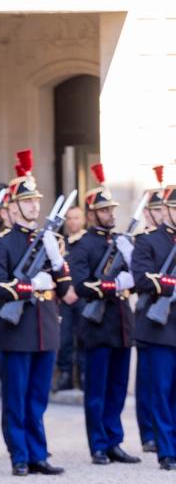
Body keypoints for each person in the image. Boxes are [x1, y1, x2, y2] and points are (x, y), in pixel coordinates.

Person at [0, 149, 69, 476]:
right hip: (17, 328)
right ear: (13, 207)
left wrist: (59, 263)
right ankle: (19, 455)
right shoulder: (3, 244)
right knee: (16, 397)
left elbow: (66, 289)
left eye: (36, 201)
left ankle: (38, 453)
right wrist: (27, 286)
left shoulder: (49, 240)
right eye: (28, 201)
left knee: (38, 397)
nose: (35, 205)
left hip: (45, 327)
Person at [68, 164, 140, 465]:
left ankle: (114, 440)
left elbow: (138, 277)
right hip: (97, 326)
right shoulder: (83, 245)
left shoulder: (122, 242)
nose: (111, 214)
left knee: (117, 389)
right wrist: (113, 285)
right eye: (104, 210)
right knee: (96, 390)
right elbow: (82, 286)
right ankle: (97, 444)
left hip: (121, 324)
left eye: (112, 210)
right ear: (92, 214)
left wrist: (130, 260)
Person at [130, 179, 176, 470]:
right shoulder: (147, 241)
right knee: (161, 390)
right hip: (160, 327)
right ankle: (167, 450)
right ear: (167, 211)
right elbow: (141, 279)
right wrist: (171, 285)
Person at [134, 165, 166, 455]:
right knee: (150, 380)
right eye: (155, 210)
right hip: (151, 317)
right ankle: (150, 433)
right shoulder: (143, 240)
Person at [55, 206, 86, 391]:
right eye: (69, 218)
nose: (72, 221)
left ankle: (83, 375)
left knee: (83, 337)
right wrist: (64, 291)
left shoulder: (87, 242)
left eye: (76, 218)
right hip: (64, 298)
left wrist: (77, 289)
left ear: (83, 220)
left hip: (82, 297)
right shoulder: (61, 243)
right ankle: (65, 375)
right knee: (64, 338)